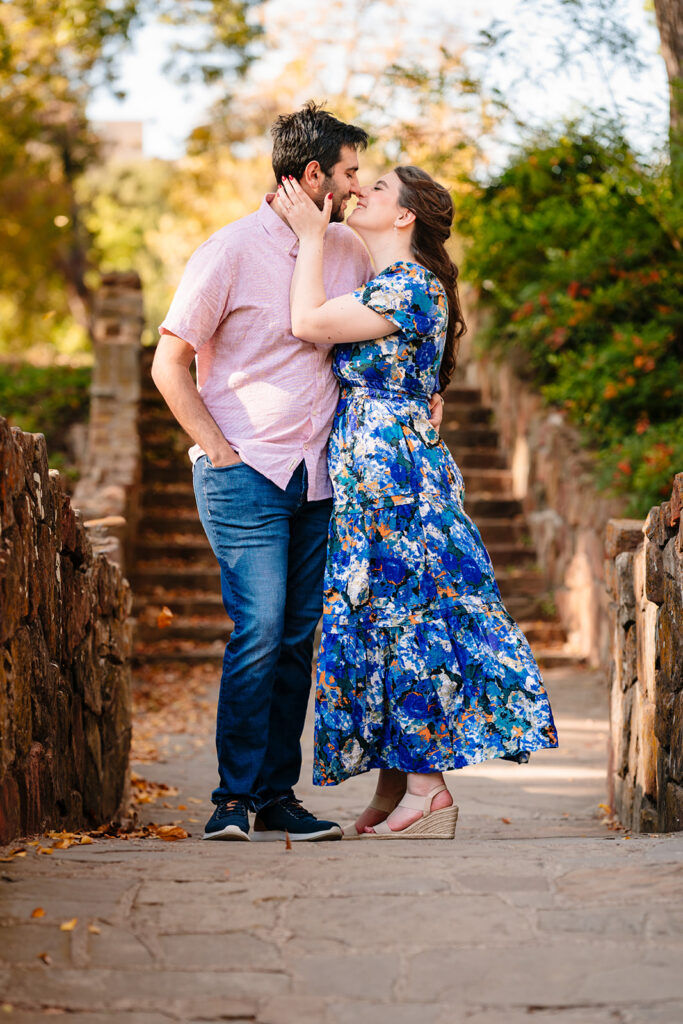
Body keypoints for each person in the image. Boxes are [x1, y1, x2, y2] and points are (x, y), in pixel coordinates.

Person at [151, 103, 445, 843]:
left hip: (321, 478)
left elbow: (397, 316)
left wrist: (424, 389)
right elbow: (169, 364)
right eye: (347, 173)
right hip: (245, 471)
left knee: (296, 638)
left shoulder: (345, 246)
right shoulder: (227, 251)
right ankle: (231, 799)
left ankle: (276, 795)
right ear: (312, 175)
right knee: (258, 628)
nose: (353, 187)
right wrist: (217, 450)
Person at [278, 166, 559, 838]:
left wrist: (310, 235)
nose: (359, 193)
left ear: (403, 216)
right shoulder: (391, 286)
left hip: (391, 472)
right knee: (382, 614)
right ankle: (395, 786)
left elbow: (306, 322)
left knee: (404, 615)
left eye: (374, 188)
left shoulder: (406, 285)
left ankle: (428, 788)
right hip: (375, 465)